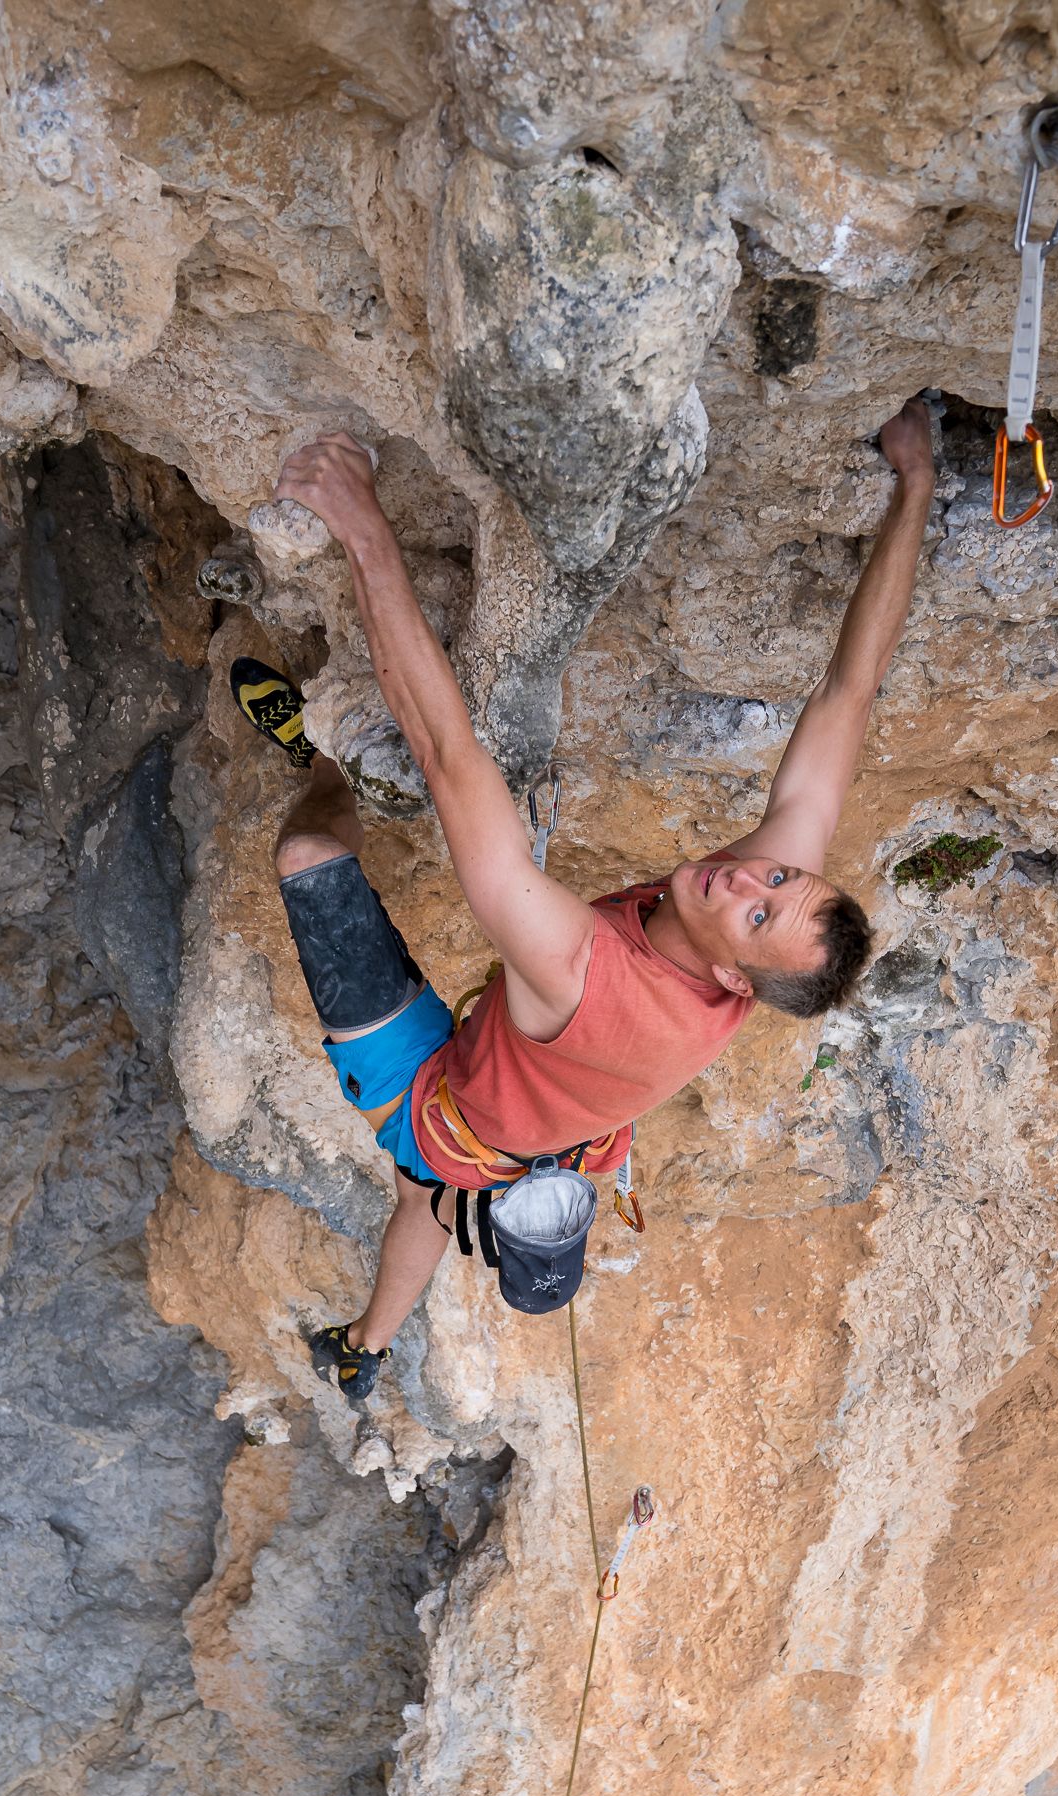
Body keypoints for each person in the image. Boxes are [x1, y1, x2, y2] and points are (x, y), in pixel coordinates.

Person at [231, 399, 935, 1402]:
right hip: (530, 1127)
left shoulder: (579, 971)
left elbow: (445, 753)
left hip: (443, 1111)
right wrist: (914, 486)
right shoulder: (747, 930)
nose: (748, 876)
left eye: (757, 907)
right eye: (778, 878)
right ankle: (364, 1352)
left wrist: (361, 523)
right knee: (429, 1198)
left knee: (309, 854)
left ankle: (319, 763)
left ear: (735, 973)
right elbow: (846, 693)